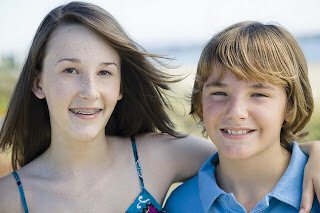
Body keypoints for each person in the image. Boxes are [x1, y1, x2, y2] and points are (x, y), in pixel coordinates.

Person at [0, 3, 318, 212]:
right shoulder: (10, 198)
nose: (90, 91)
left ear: (121, 86)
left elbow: (247, 147)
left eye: (105, 72)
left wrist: (314, 153)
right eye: (70, 70)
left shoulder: (159, 157)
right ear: (37, 82)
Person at [164, 21, 320, 213]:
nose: (236, 112)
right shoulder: (180, 204)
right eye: (219, 93)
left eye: (258, 94)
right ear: (200, 103)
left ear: (289, 107)